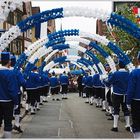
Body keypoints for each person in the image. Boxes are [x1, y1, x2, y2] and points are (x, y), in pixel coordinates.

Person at [103, 59, 130, 132]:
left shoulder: (116, 74)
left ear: (118, 66)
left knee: (116, 109)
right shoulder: (128, 73)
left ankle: (115, 126)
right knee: (125, 109)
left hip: (116, 94)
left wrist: (103, 80)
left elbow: (109, 83)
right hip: (126, 94)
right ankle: (128, 125)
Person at [0, 52, 19, 138]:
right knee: (8, 123)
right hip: (8, 102)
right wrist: (16, 102)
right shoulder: (11, 74)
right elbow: (13, 90)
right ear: (9, 62)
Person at [10, 55, 26, 133]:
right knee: (16, 109)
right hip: (16, 93)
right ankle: (17, 124)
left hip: (4, 94)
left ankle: (9, 125)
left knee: (7, 110)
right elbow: (23, 82)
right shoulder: (16, 71)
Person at [126, 52, 140, 138]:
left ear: (138, 60)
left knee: (137, 122)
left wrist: (128, 102)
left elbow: (131, 89)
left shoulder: (134, 73)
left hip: (136, 102)